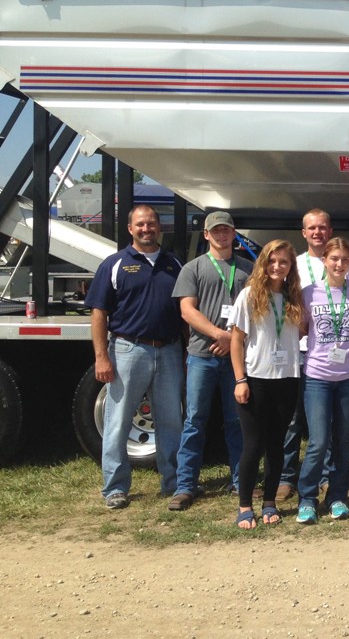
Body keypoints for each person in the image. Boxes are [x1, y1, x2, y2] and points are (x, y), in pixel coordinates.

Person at [86, 204, 185, 510]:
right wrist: (101, 357)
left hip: (169, 351)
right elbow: (99, 313)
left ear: (159, 227)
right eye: (140, 224)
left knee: (171, 421)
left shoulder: (174, 264)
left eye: (151, 223)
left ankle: (174, 484)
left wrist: (186, 351)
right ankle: (115, 487)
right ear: (130, 229)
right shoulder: (114, 264)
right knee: (117, 421)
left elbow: (184, 311)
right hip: (128, 350)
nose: (146, 229)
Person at [169, 211, 252, 511]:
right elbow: (187, 311)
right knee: (194, 420)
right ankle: (185, 486)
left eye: (226, 230)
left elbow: (256, 310)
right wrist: (220, 334)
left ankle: (241, 481)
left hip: (236, 359)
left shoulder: (247, 269)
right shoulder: (192, 269)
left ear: (234, 233)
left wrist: (233, 339)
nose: (221, 235)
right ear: (206, 235)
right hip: (202, 356)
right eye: (215, 231)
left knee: (237, 420)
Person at [278, 208, 349, 502]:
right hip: (302, 353)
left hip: (337, 357)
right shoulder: (296, 265)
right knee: (295, 422)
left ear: (330, 230)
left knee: (334, 428)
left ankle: (328, 479)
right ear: (304, 233)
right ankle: (287, 478)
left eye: (323, 227)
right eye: (312, 228)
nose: (317, 232)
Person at [230, 240, 304, 529]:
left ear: (290, 266)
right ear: (263, 263)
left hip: (287, 378)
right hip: (255, 379)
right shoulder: (250, 295)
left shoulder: (294, 296)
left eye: (283, 262)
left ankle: (270, 501)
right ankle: (245, 505)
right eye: (272, 261)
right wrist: (240, 379)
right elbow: (236, 340)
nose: (277, 266)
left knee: (276, 444)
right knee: (253, 445)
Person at [296, 237, 349, 524]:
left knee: (342, 440)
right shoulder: (309, 293)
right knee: (318, 441)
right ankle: (307, 499)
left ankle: (337, 496)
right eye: (334, 258)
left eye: (345, 259)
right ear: (324, 260)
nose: (340, 264)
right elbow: (302, 330)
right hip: (317, 376)